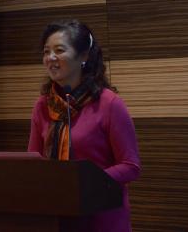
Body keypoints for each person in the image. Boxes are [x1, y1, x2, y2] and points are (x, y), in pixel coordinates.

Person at [28, 19, 141, 232]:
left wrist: (83, 183)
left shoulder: (109, 103)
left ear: (84, 56)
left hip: (101, 214)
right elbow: (33, 161)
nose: (50, 58)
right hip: (55, 214)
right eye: (46, 52)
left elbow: (130, 165)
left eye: (59, 50)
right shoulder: (43, 105)